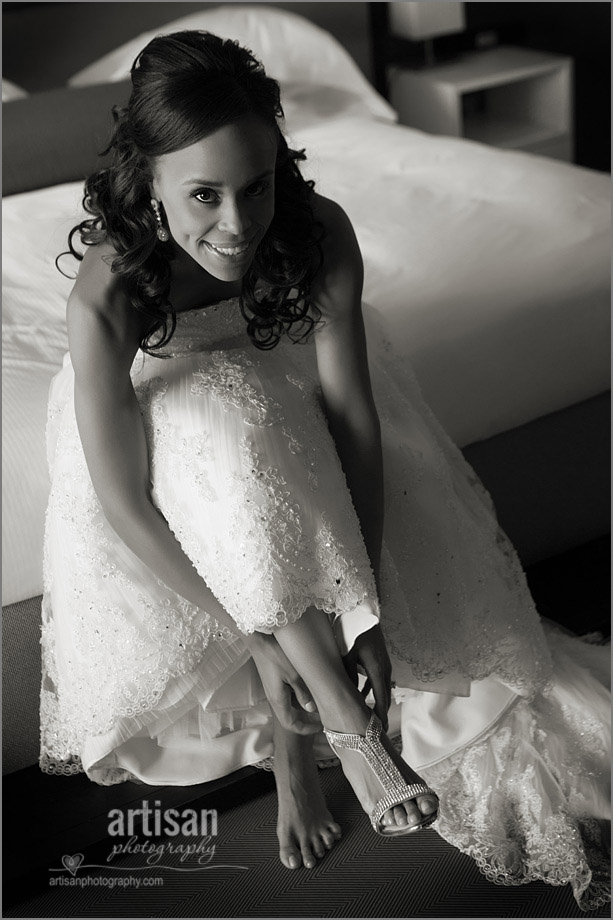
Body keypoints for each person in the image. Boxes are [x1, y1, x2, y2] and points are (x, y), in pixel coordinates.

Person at [41, 30, 610, 908]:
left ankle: (314, 717)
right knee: (226, 426)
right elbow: (123, 500)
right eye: (202, 195)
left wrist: (367, 607)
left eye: (258, 185)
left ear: (281, 164)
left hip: (281, 407)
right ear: (147, 186)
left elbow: (351, 415)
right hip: (175, 429)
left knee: (262, 425)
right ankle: (334, 723)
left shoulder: (314, 230)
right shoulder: (111, 290)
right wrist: (259, 643)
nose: (236, 226)